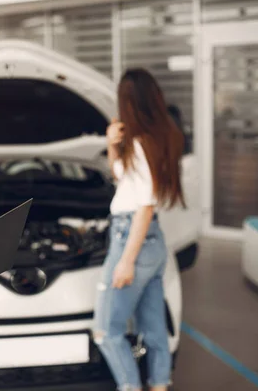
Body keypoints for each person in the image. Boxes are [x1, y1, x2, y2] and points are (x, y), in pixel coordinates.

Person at [94, 68, 186, 391]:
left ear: (128, 102)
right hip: (153, 243)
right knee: (154, 329)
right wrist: (112, 145)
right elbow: (123, 177)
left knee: (106, 331)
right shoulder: (160, 139)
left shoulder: (142, 144)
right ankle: (160, 385)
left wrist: (126, 260)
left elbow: (144, 206)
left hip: (132, 238)